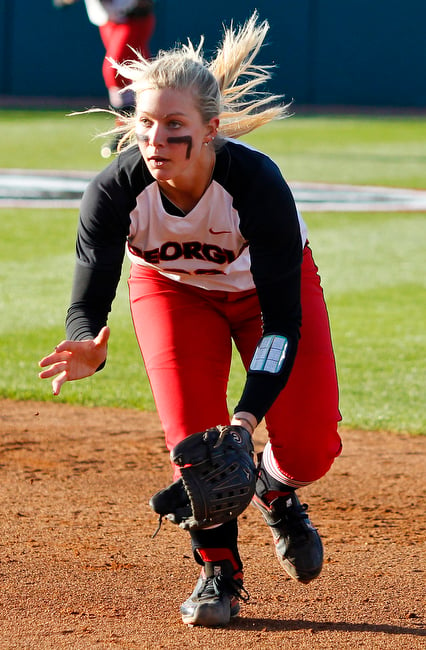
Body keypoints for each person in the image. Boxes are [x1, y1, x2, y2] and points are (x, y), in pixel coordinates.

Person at [39, 12, 342, 628]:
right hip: (173, 295)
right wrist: (84, 343)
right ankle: (218, 572)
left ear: (211, 130)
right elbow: (88, 301)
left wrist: (245, 420)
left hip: (264, 302)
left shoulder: (256, 184)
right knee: (193, 447)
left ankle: (276, 487)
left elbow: (283, 324)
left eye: (174, 125)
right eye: (144, 123)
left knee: (309, 450)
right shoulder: (114, 191)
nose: (154, 139)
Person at [53, 0, 156, 157]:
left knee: (115, 70)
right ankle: (130, 129)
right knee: (137, 75)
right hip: (110, 20)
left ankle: (129, 130)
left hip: (133, 18)